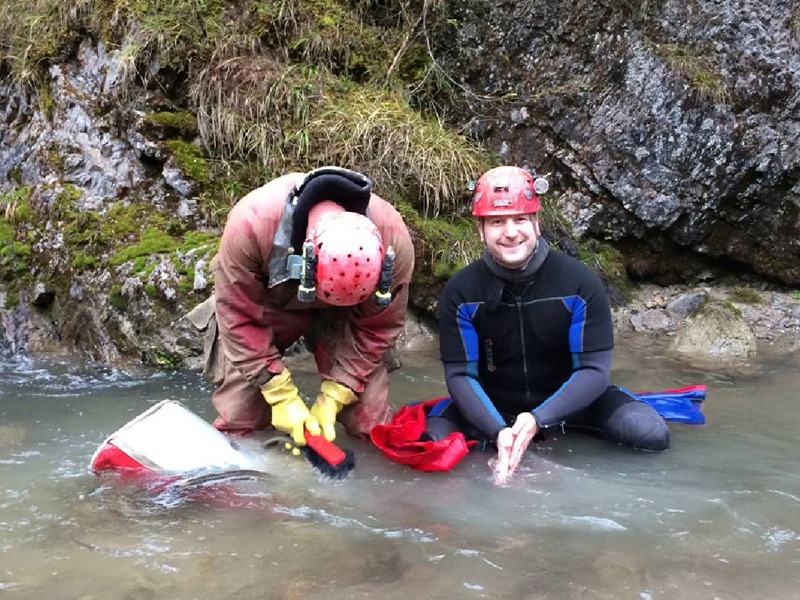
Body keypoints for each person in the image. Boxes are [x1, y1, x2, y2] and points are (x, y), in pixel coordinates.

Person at [431, 165, 669, 484]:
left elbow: (594, 371)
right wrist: (498, 430)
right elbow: (461, 375)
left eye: (520, 219)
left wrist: (538, 419)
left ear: (536, 223)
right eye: (497, 222)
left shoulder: (579, 283)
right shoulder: (461, 291)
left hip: (574, 407)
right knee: (431, 444)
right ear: (481, 230)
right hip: (493, 408)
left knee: (649, 434)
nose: (510, 231)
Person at [191, 167, 414, 447]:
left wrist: (337, 392)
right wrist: (280, 393)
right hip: (270, 300)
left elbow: (378, 327)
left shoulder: (395, 237)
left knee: (368, 422)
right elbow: (238, 315)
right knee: (242, 418)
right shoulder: (251, 223)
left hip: (350, 317)